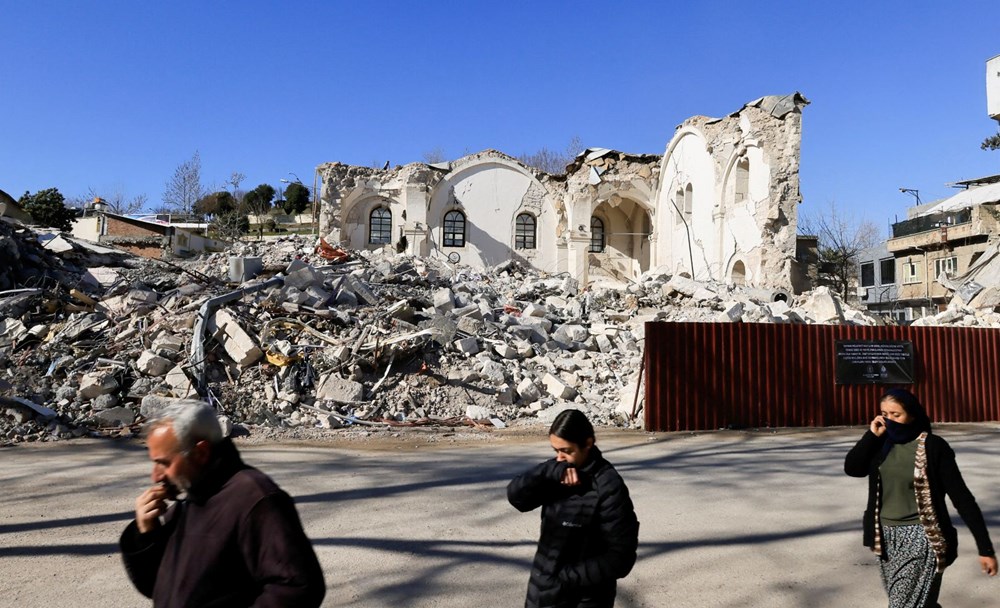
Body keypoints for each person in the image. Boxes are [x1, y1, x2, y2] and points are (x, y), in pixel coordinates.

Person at [119, 399, 326, 607]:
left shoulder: (255, 498)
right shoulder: (190, 503)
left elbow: (298, 587)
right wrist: (146, 534)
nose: (155, 476)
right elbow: (159, 587)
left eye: (164, 463)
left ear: (201, 453)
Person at [844, 388, 997, 607]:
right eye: (885, 414)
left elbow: (962, 498)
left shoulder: (934, 447)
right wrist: (871, 436)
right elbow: (853, 468)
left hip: (922, 536)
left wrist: (985, 549)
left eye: (896, 415)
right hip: (885, 538)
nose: (889, 420)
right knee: (917, 602)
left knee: (902, 604)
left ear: (912, 415)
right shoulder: (881, 444)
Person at [507, 409, 639, 608]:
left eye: (566, 451)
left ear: (587, 444)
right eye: (555, 450)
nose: (559, 457)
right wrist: (547, 471)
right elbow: (517, 498)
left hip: (584, 599)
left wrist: (565, 577)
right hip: (542, 593)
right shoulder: (557, 472)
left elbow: (621, 558)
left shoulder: (609, 486)